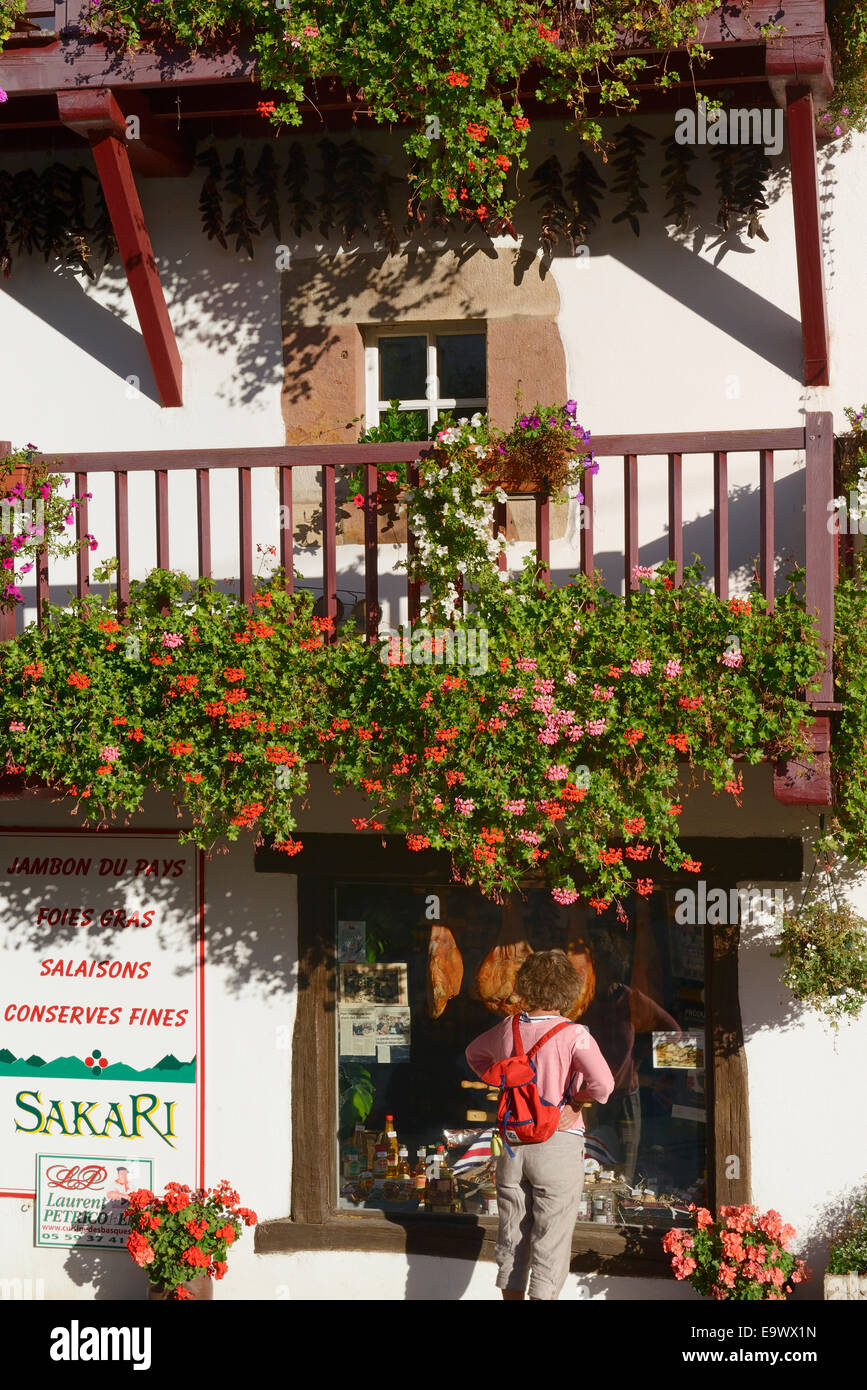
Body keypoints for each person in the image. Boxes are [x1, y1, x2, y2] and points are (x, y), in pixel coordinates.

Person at [465, 949, 615, 1301]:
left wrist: (502, 1078)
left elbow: (474, 1055)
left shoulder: (507, 1027)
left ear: (526, 985)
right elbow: (604, 1085)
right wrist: (576, 1102)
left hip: (513, 1143)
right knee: (551, 1238)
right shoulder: (575, 1034)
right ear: (568, 990)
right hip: (558, 1141)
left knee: (512, 1234)